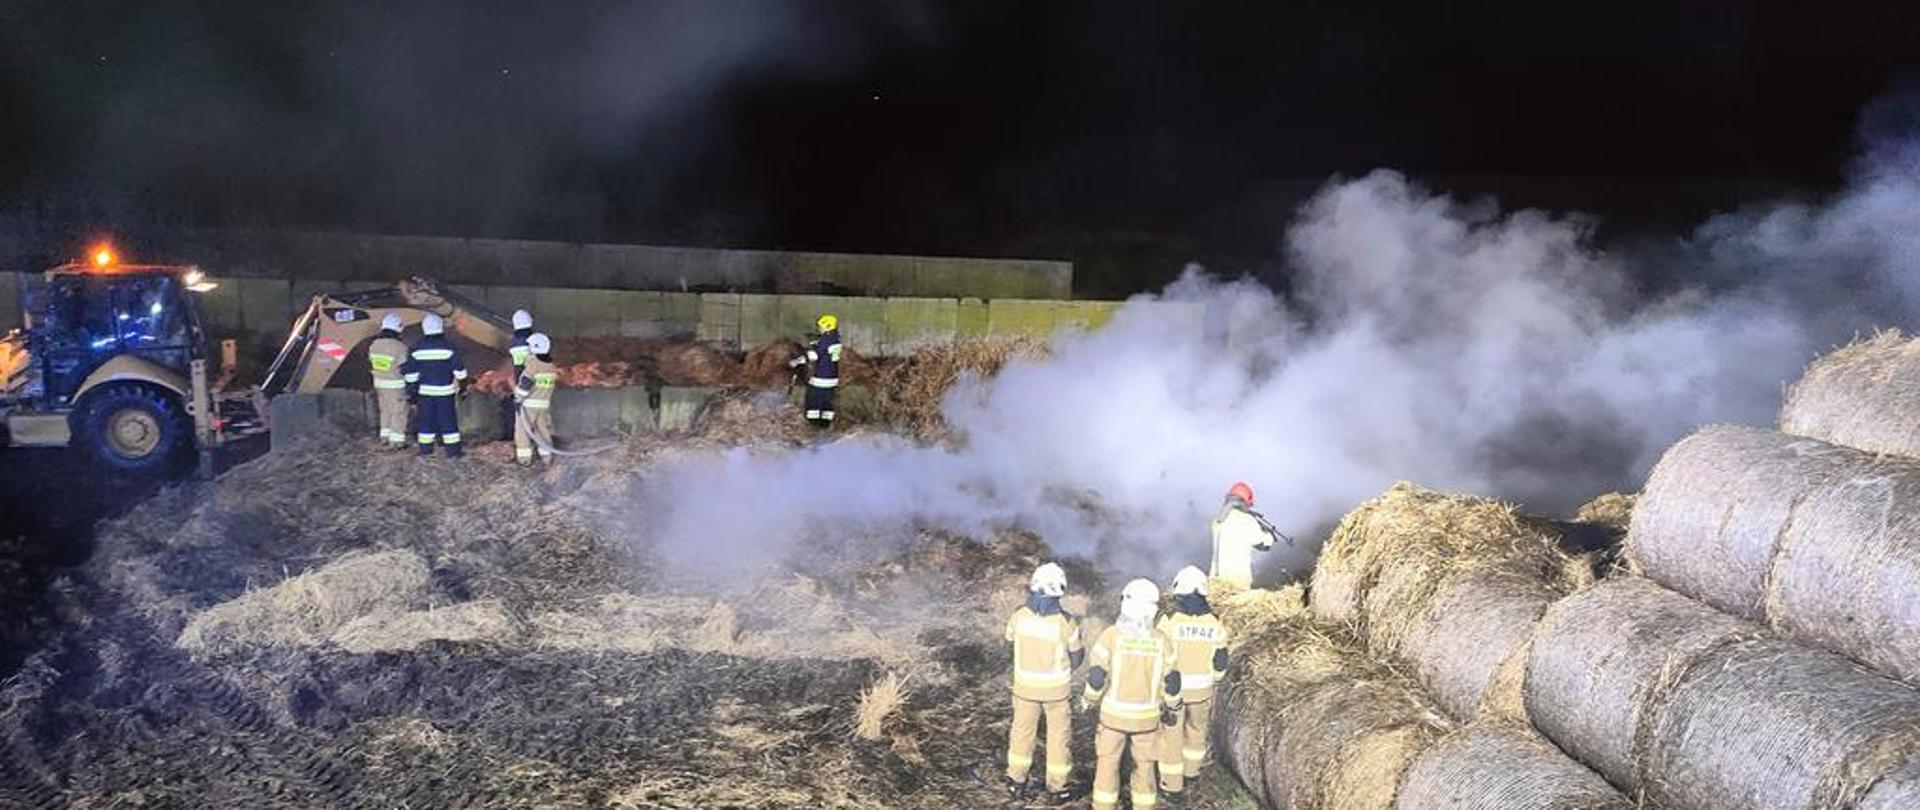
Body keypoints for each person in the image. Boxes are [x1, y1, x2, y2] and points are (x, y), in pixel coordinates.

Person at [1084, 579, 1181, 810]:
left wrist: (1088, 700)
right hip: (1147, 720)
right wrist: (1173, 705)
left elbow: (1097, 676)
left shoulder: (1110, 635)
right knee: (1145, 768)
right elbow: (1173, 682)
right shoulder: (1161, 640)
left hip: (1113, 718)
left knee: (1107, 765)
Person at [1001, 562, 1085, 803]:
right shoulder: (1066, 622)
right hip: (1057, 692)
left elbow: (1009, 645)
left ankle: (1016, 781)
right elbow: (1077, 656)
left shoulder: (1019, 615)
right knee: (1059, 739)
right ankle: (1058, 789)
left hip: (1024, 688)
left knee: (1021, 734)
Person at [1155, 566, 1229, 804]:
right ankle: (1191, 774)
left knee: (1171, 737)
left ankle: (1171, 785)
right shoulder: (1213, 622)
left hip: (1174, 692)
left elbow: (1157, 652)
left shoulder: (1170, 620)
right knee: (1197, 732)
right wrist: (1215, 680)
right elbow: (1221, 657)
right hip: (1202, 691)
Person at [401, 313, 468, 458]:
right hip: (445, 393)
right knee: (448, 422)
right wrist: (463, 386)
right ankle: (453, 452)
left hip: (424, 393)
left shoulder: (416, 348)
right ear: (440, 328)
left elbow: (411, 374)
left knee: (425, 422)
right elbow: (460, 370)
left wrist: (412, 393)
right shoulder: (449, 347)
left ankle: (425, 450)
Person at [1209, 482, 1288, 590]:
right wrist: (1269, 534)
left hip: (1216, 581)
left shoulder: (1217, 522)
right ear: (1245, 502)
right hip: (1237, 581)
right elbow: (1264, 545)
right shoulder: (1247, 521)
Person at [787, 314, 842, 429]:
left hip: (822, 377)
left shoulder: (825, 340)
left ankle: (813, 425)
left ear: (827, 326)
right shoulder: (836, 339)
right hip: (833, 377)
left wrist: (796, 361)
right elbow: (826, 351)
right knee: (827, 402)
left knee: (813, 400)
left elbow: (813, 356)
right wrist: (817, 344)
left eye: (821, 327)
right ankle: (825, 425)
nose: (820, 329)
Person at [512, 332, 558, 467]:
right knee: (543, 431)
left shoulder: (533, 364)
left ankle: (524, 460)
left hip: (528, 406)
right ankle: (547, 458)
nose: (529, 350)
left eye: (530, 347)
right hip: (543, 405)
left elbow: (525, 383)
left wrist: (518, 398)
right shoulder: (551, 367)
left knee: (522, 433)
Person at [367, 313, 411, 450]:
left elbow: (371, 362)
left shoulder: (374, 345)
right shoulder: (399, 347)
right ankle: (397, 442)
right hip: (395, 385)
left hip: (379, 383)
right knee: (398, 412)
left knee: (385, 410)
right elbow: (405, 367)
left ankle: (384, 437)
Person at [500, 309, 534, 440]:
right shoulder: (533, 340)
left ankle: (521, 445)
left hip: (520, 382)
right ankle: (540, 445)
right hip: (533, 382)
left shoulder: (513, 342)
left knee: (520, 416)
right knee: (537, 417)